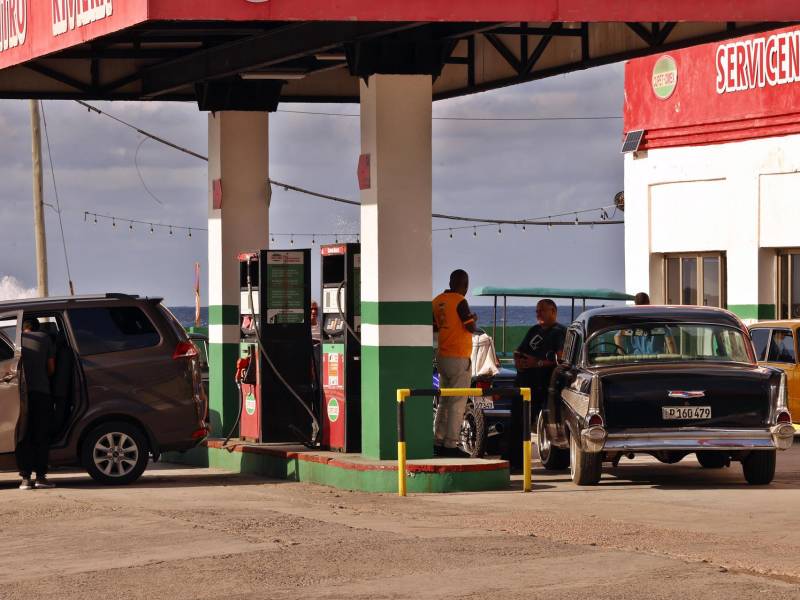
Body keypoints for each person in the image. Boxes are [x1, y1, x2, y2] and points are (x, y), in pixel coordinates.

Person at [506, 299, 565, 470]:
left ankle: (548, 460)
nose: (538, 314)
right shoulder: (534, 330)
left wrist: (537, 363)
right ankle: (513, 460)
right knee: (517, 421)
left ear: (553, 311)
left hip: (544, 386)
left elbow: (561, 359)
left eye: (542, 310)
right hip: (524, 384)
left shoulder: (559, 332)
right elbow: (519, 350)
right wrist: (518, 361)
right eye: (537, 311)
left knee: (538, 422)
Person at [432, 269, 477, 457]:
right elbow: (470, 326)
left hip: (442, 356)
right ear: (464, 284)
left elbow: (434, 327)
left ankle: (438, 440)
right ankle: (450, 444)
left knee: (444, 401)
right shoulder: (460, 301)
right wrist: (474, 318)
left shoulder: (436, 301)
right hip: (459, 357)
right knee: (458, 403)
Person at [16, 318, 57, 490]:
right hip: (42, 393)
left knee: (24, 434)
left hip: (20, 395)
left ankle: (25, 478)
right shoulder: (45, 338)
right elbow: (51, 368)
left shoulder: (16, 340)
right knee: (41, 435)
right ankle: (41, 477)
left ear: (23, 328)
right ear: (37, 327)